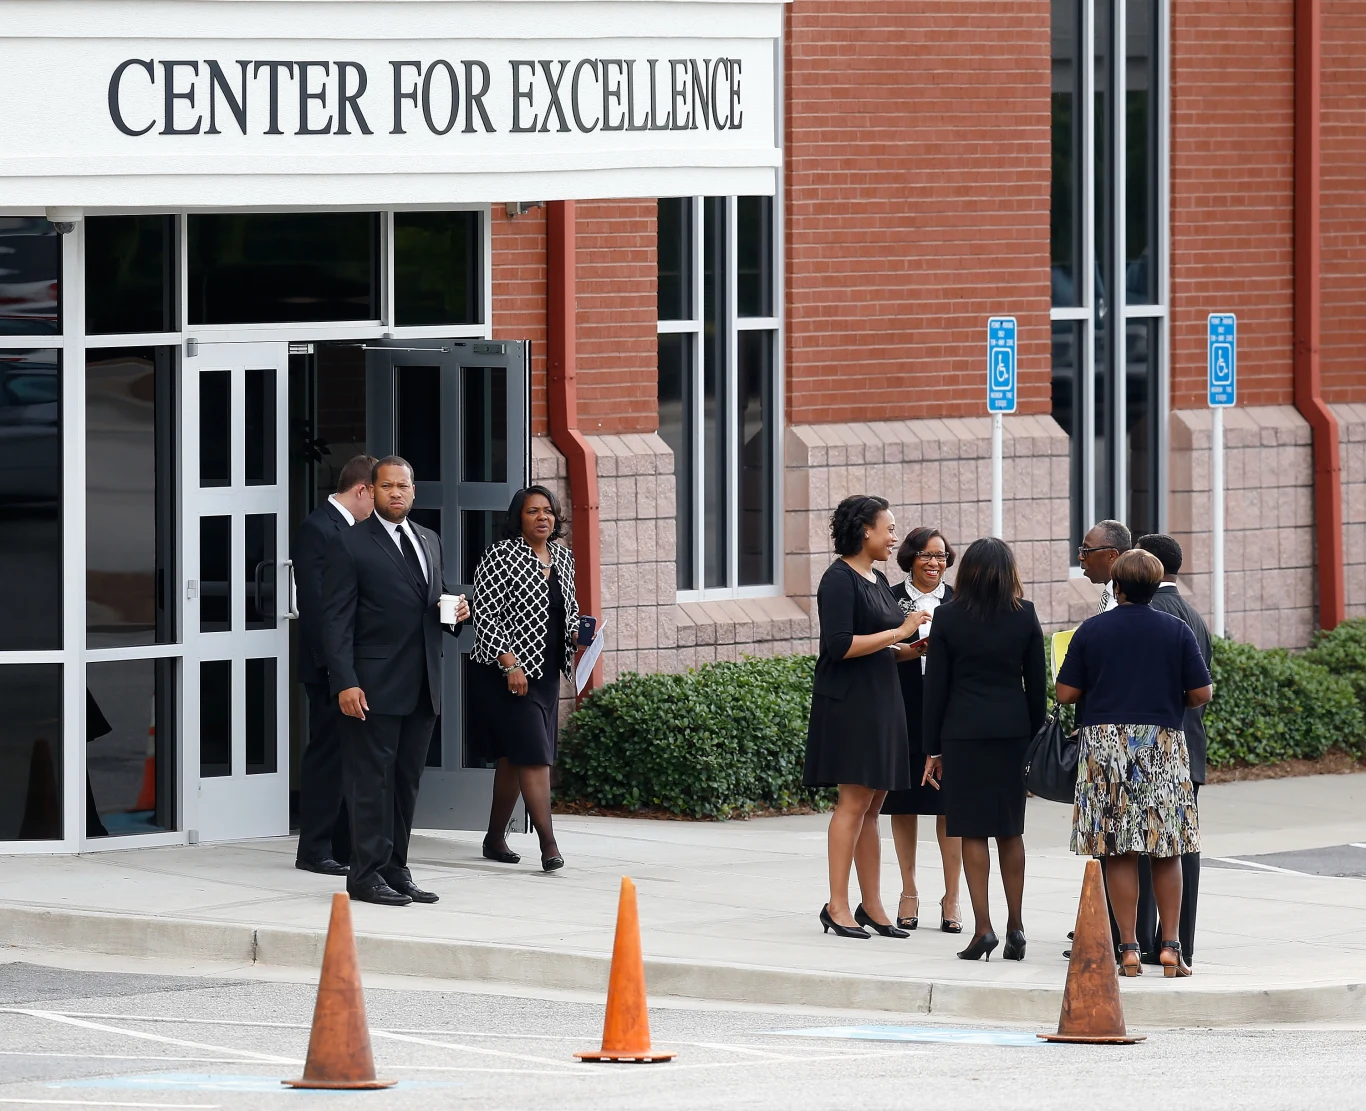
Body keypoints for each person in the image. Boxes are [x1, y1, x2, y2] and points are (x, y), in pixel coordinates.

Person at [1054, 549, 1212, 978]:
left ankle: (1127, 948)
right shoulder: (1176, 629)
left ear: (1118, 586)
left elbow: (1065, 692)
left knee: (1118, 849)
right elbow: (1201, 693)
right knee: (1167, 847)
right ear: (1154, 585)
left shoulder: (1093, 629)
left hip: (1106, 746)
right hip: (1162, 743)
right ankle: (1171, 947)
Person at [321, 456, 469, 907]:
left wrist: (457, 614)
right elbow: (335, 621)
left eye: (403, 486)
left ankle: (395, 869)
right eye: (387, 486)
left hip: (423, 684)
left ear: (413, 490)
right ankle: (365, 875)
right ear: (372, 491)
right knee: (372, 784)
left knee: (405, 783)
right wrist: (345, 681)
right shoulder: (349, 543)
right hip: (371, 686)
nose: (396, 493)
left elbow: (431, 601)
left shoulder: (429, 539)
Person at [922, 537, 1046, 962]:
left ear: (968, 572)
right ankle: (1017, 926)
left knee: (972, 830)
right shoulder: (1024, 614)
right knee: (1010, 830)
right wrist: (1033, 741)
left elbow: (935, 688)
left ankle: (983, 929)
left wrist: (932, 748)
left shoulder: (948, 616)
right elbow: (1036, 686)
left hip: (963, 734)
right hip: (1013, 733)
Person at [804, 495, 922, 940]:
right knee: (853, 804)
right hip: (851, 705)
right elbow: (840, 646)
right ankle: (836, 905)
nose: (894, 537)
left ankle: (871, 905)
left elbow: (880, 648)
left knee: (873, 808)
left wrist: (910, 649)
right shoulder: (838, 579)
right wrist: (900, 631)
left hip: (882, 701)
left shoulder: (877, 577)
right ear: (865, 530)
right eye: (888, 529)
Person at [470, 486, 580, 873]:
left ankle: (493, 838)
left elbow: (568, 608)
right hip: (508, 676)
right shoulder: (501, 555)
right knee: (533, 755)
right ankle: (549, 845)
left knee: (512, 759)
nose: (542, 517)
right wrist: (509, 664)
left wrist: (577, 634)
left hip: (547, 675)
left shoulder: (563, 557)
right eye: (533, 511)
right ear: (519, 517)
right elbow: (485, 614)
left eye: (547, 511)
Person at [293, 454, 375, 876]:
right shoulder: (320, 528)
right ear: (362, 490)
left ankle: (343, 846)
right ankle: (314, 849)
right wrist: (336, 671)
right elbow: (317, 606)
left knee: (350, 758)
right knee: (327, 756)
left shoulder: (354, 530)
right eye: (378, 494)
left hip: (351, 666)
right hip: (328, 668)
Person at [1135, 532, 1213, 967]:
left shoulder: (1150, 614)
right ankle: (1179, 942)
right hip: (1190, 744)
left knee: (1142, 844)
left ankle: (1140, 941)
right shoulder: (1195, 617)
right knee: (1183, 846)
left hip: (1154, 745)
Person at [883, 527, 963, 933]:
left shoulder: (960, 601)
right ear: (910, 558)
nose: (935, 563)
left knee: (949, 805)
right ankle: (908, 890)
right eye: (927, 555)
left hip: (949, 711)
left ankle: (952, 897)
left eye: (941, 556)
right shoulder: (890, 597)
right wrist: (914, 648)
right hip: (904, 706)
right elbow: (880, 649)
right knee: (904, 802)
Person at [1078, 519, 1132, 613]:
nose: (1080, 557)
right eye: (1082, 550)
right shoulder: (1111, 595)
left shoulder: (1128, 602)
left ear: (1112, 556)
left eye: (1086, 551)